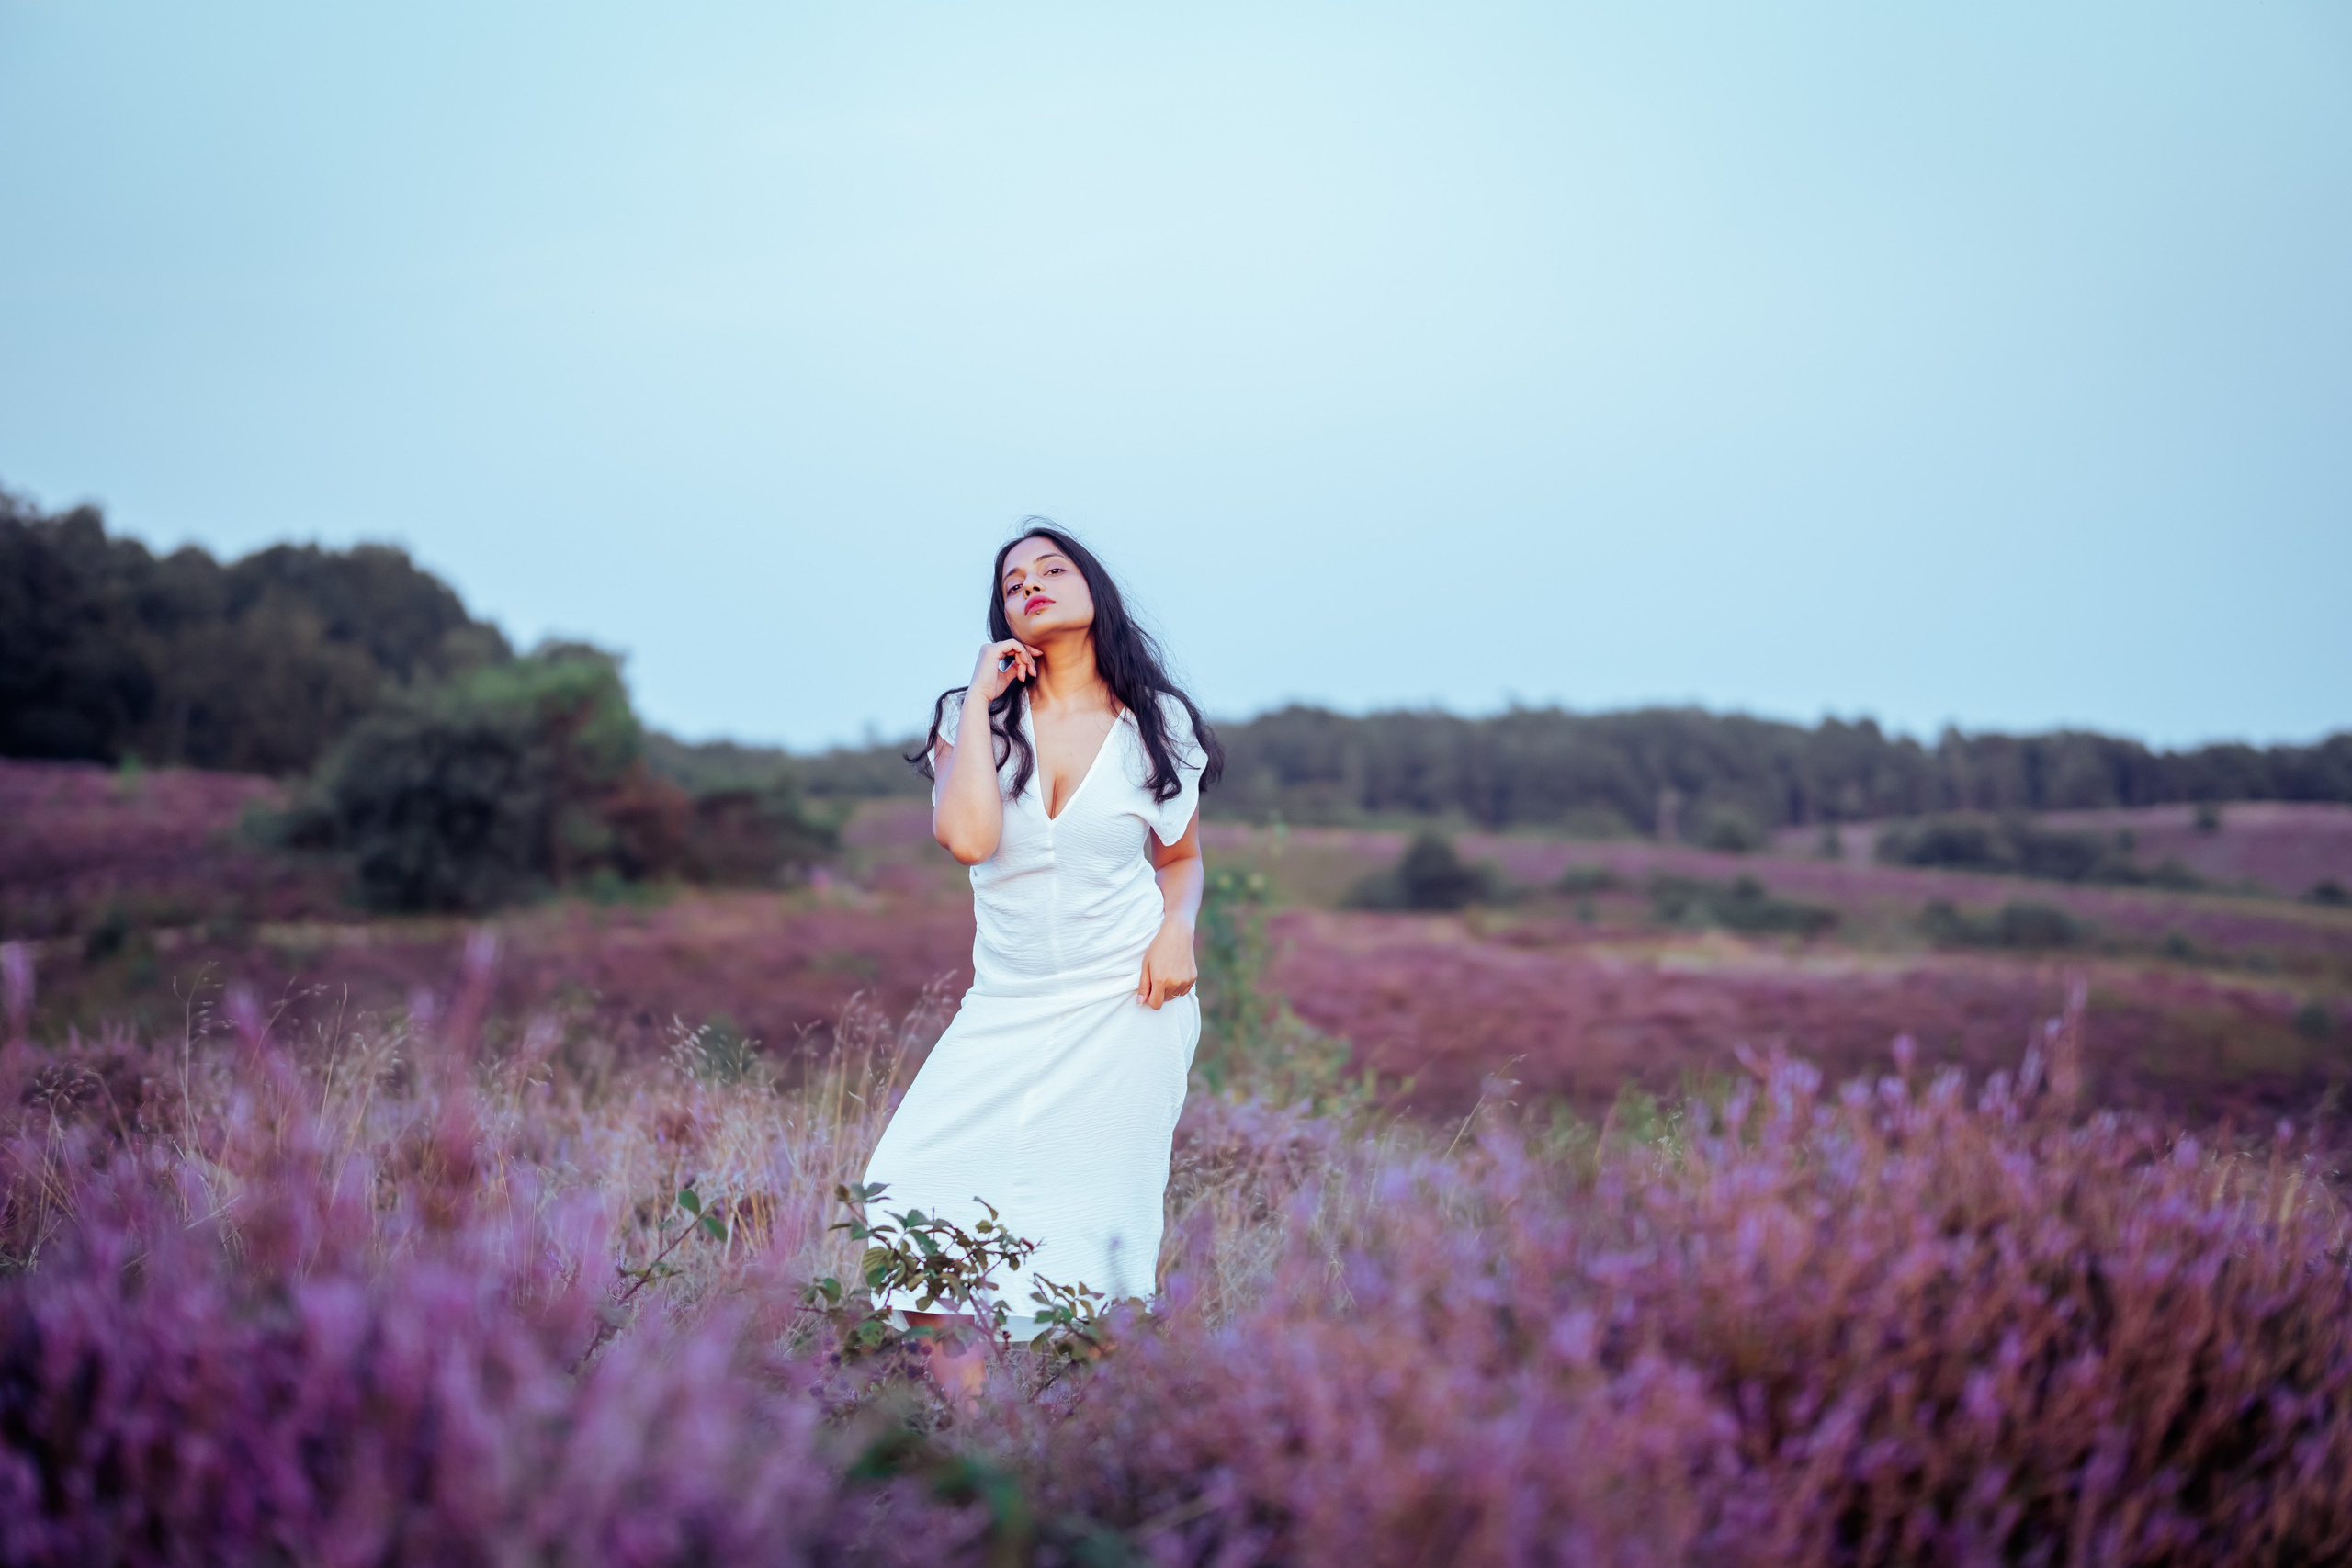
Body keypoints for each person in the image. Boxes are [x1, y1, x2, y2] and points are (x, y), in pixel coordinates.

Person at [861, 522, 1223, 1405]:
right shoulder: (969, 716)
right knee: (909, 1188)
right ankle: (973, 1431)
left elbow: (1180, 859)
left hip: (1128, 1001)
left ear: (1093, 588)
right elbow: (970, 837)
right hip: (1007, 1003)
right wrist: (984, 698)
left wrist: (1178, 928)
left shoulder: (1157, 723)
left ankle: (1092, 1440)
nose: (1032, 582)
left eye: (1052, 568)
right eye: (1014, 578)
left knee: (1096, 1231)